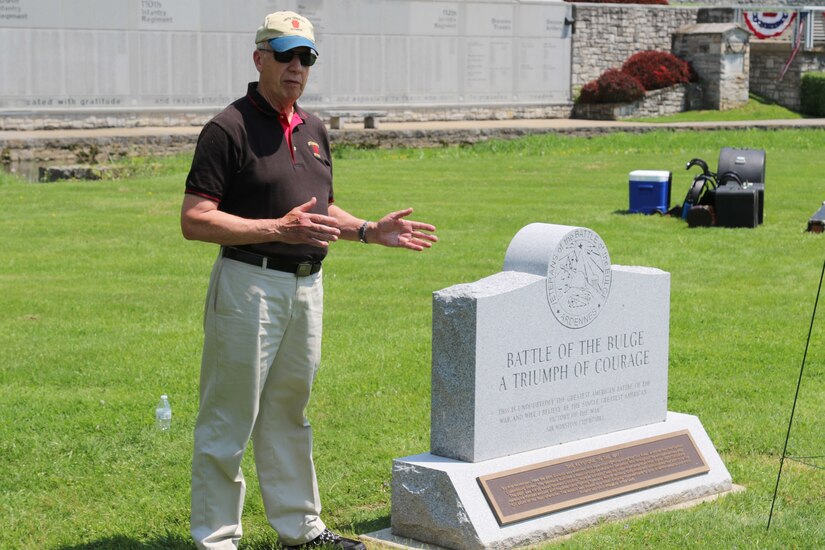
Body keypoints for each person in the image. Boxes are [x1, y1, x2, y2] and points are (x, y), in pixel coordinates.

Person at [180, 10, 437, 550]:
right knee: (229, 418)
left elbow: (322, 210)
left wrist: (367, 230)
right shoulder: (226, 128)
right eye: (284, 54)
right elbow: (196, 218)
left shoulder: (315, 128)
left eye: (306, 57)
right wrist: (277, 227)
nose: (296, 66)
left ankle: (301, 530)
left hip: (306, 286)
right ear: (259, 59)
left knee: (289, 414)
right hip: (249, 284)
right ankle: (217, 539)